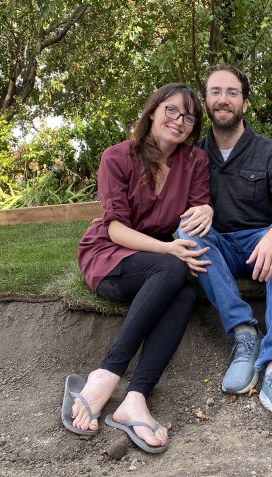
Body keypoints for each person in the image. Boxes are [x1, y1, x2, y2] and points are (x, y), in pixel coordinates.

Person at [62, 83, 213, 454]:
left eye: (189, 116)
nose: (179, 120)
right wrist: (168, 248)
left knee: (184, 292)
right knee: (172, 269)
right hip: (110, 255)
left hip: (158, 262)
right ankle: (107, 373)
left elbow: (196, 212)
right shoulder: (117, 157)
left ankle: (136, 398)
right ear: (153, 110)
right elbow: (115, 229)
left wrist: (207, 209)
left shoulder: (195, 162)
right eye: (171, 110)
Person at [177, 64, 272, 432]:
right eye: (215, 92)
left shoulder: (270, 153)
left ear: (245, 103)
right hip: (217, 244)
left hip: (258, 244)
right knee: (186, 231)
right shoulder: (192, 156)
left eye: (232, 92)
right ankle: (244, 334)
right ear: (206, 101)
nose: (223, 99)